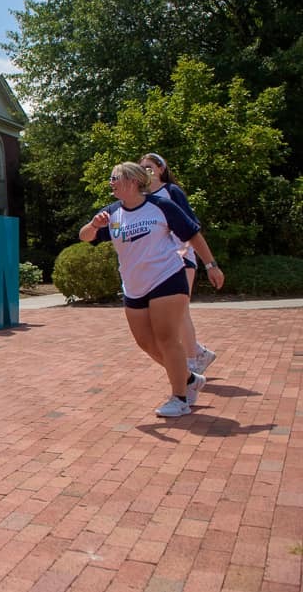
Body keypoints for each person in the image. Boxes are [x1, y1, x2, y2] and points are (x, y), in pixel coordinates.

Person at [79, 162, 225, 417]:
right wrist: (93, 226)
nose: (111, 182)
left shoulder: (161, 206)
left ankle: (180, 398)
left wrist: (211, 265)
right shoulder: (111, 213)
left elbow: (193, 234)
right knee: (145, 342)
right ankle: (189, 379)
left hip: (167, 277)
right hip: (134, 286)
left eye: (115, 178)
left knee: (167, 338)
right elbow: (84, 236)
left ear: (133, 181)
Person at [140, 152, 217, 374]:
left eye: (150, 166)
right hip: (159, 262)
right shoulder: (142, 197)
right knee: (169, 315)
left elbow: (191, 224)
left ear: (161, 169)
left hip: (181, 257)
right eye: (142, 167)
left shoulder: (171, 191)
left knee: (180, 312)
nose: (146, 171)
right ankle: (199, 352)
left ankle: (193, 363)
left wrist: (187, 250)